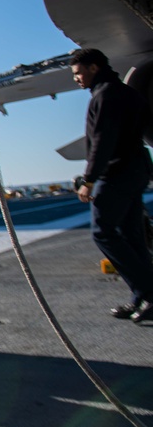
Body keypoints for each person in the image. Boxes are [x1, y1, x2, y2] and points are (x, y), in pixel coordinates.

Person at [71, 48, 153, 323]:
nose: (77, 79)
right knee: (132, 236)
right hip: (137, 170)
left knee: (103, 232)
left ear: (94, 68)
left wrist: (89, 179)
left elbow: (102, 142)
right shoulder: (129, 93)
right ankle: (140, 298)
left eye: (79, 73)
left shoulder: (104, 96)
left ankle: (150, 293)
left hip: (116, 172)